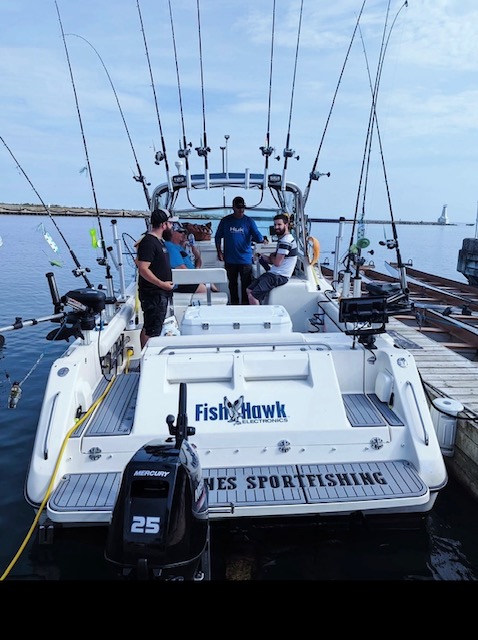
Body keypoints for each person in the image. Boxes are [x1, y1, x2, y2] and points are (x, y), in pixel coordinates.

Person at [215, 196, 267, 305]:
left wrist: (263, 240)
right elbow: (218, 236)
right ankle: (233, 304)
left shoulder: (249, 221)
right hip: (230, 259)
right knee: (232, 284)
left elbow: (257, 236)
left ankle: (245, 305)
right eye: (238, 207)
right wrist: (219, 251)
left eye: (243, 207)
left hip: (245, 260)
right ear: (233, 207)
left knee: (246, 285)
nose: (241, 210)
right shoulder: (226, 221)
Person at [136, 207, 174, 347]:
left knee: (153, 326)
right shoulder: (149, 242)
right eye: (170, 224)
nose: (171, 227)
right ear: (163, 225)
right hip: (153, 294)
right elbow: (143, 269)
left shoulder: (158, 241)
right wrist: (161, 284)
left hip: (161, 292)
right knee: (152, 329)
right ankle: (146, 359)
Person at [246, 213, 297, 305]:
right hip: (273, 273)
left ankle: (259, 318)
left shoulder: (286, 241)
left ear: (286, 225)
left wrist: (272, 256)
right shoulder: (282, 240)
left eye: (279, 224)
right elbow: (272, 260)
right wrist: (261, 255)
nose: (276, 227)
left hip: (279, 276)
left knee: (252, 295)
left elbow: (277, 262)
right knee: (249, 289)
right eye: (275, 225)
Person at [163, 220, 218, 293]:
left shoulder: (181, 247)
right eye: (180, 232)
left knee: (209, 282)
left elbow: (198, 260)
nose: (183, 234)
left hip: (191, 276)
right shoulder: (171, 248)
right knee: (203, 288)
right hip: (183, 281)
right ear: (173, 233)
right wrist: (199, 278)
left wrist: (193, 247)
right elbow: (182, 269)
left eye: (185, 232)